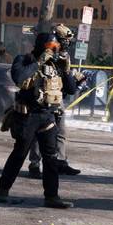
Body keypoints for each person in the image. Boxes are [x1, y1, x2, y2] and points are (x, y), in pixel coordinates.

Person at [0, 32, 77, 208]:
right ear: (41, 46)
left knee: (51, 157)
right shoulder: (24, 59)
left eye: (56, 48)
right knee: (19, 154)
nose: (54, 51)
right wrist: (39, 61)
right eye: (51, 47)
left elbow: (71, 89)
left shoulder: (56, 64)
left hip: (47, 115)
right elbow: (19, 78)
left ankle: (52, 196)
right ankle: (3, 190)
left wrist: (66, 70)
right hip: (27, 116)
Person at [27, 24, 84, 178]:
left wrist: (74, 79)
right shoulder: (43, 54)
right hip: (42, 101)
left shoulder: (65, 56)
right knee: (40, 135)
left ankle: (61, 162)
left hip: (58, 99)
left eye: (67, 41)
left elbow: (67, 83)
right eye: (63, 40)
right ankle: (35, 164)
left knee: (61, 132)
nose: (65, 44)